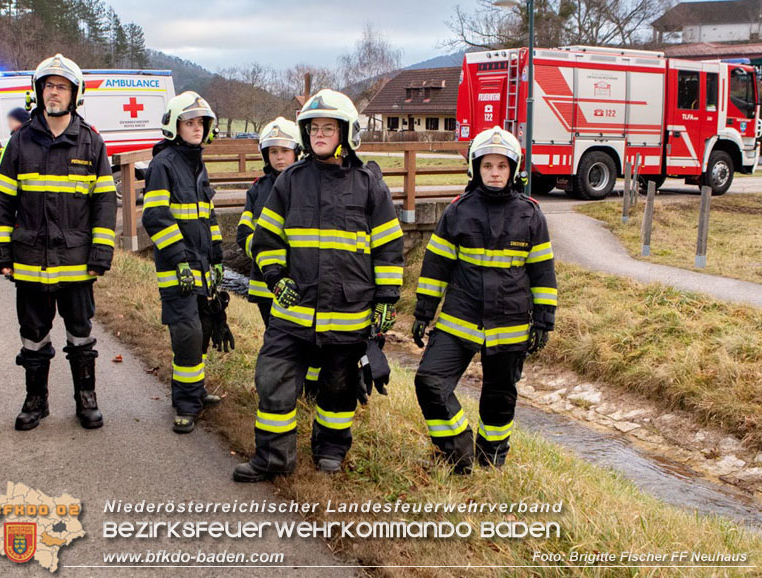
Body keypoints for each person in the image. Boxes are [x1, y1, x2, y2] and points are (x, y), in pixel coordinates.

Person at [232, 89, 404, 482]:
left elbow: (389, 248)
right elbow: (266, 239)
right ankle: (274, 458)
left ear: (346, 133)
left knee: (339, 386)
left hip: (348, 311)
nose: (319, 134)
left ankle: (330, 448)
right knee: (272, 376)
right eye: (313, 128)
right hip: (294, 311)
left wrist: (387, 299)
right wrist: (276, 277)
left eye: (329, 127)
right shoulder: (290, 181)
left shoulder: (368, 185)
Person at [410, 127, 557, 474]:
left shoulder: (531, 214)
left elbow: (542, 273)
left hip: (510, 326)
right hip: (459, 321)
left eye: (501, 166)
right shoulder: (457, 211)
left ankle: (491, 463)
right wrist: (423, 311)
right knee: (429, 381)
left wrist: (543, 320)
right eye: (487, 165)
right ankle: (458, 449)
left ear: (513, 169)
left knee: (499, 401)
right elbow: (436, 267)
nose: (494, 172)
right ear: (475, 169)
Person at [0, 54, 116, 431]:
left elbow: (105, 203)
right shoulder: (19, 142)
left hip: (77, 261)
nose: (53, 92)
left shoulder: (91, 143)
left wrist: (101, 252)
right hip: (29, 259)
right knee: (32, 335)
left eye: (61, 86)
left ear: (75, 94)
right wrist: (1, 251)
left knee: (81, 333)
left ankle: (86, 399)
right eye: (48, 85)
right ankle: (36, 401)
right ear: (38, 92)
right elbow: (2, 202)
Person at [141, 91, 228, 434]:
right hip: (177, 270)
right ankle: (185, 404)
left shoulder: (196, 163)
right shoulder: (163, 165)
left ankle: (195, 390)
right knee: (187, 334)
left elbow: (207, 216)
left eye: (201, 123)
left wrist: (218, 258)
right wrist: (178, 260)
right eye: (189, 122)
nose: (196, 128)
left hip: (202, 267)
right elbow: (155, 217)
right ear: (175, 126)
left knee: (203, 329)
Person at [235, 117, 320, 396]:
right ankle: (282, 388)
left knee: (309, 338)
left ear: (297, 151)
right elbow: (244, 233)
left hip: (300, 282)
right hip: (265, 285)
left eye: (284, 150)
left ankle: (312, 386)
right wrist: (265, 254)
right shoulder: (257, 189)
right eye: (273, 151)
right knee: (277, 339)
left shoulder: (309, 184)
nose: (279, 157)